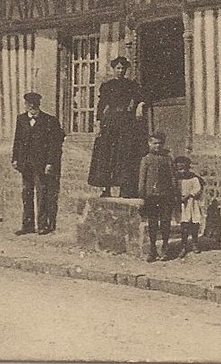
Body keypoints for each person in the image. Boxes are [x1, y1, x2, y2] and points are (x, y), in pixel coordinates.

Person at [87, 56, 146, 197]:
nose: (120, 71)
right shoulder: (107, 86)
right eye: (118, 68)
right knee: (107, 153)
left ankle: (124, 189)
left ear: (126, 70)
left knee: (124, 154)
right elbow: (102, 105)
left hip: (126, 121)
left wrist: (140, 105)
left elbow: (143, 97)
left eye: (123, 68)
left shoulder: (132, 85)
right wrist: (98, 122)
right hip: (111, 121)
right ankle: (105, 188)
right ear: (113, 69)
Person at [11, 91, 64, 236]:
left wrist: (50, 163)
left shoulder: (49, 120)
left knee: (42, 194)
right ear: (26, 105)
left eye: (35, 104)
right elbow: (17, 141)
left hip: (41, 165)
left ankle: (42, 225)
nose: (32, 107)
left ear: (39, 105)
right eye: (29, 104)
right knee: (26, 194)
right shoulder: (21, 119)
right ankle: (27, 225)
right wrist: (15, 159)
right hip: (25, 164)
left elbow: (55, 144)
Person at [136, 131, 178, 262]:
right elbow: (142, 179)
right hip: (151, 196)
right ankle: (153, 249)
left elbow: (173, 177)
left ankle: (165, 248)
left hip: (166, 195)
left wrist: (175, 193)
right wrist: (142, 196)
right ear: (149, 143)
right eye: (154, 143)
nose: (157, 146)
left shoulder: (167, 159)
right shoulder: (146, 159)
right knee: (152, 223)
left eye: (160, 144)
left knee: (165, 222)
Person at [171, 155, 205, 259]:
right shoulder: (176, 179)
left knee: (194, 224)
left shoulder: (194, 178)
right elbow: (174, 189)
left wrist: (189, 195)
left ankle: (195, 243)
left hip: (192, 203)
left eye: (184, 169)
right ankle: (184, 245)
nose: (182, 171)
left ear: (188, 167)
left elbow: (198, 189)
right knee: (184, 225)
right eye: (179, 169)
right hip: (181, 205)